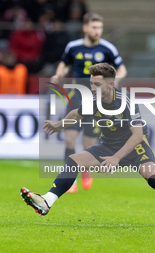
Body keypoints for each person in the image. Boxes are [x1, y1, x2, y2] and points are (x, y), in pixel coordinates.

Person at [21, 63, 155, 227]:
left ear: (110, 84)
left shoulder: (125, 101)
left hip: (135, 146)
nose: (93, 88)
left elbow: (137, 136)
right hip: (108, 145)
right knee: (73, 161)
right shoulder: (93, 100)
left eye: (97, 84)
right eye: (91, 84)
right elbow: (77, 114)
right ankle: (47, 201)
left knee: (153, 179)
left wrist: (116, 158)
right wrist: (59, 125)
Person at [51, 12, 127, 192]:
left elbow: (122, 69)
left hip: (97, 99)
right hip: (76, 94)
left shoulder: (108, 48)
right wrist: (58, 74)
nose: (98, 31)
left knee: (88, 142)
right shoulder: (73, 46)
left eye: (100, 28)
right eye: (94, 28)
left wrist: (115, 80)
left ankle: (85, 170)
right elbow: (64, 63)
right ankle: (70, 180)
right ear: (85, 28)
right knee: (69, 139)